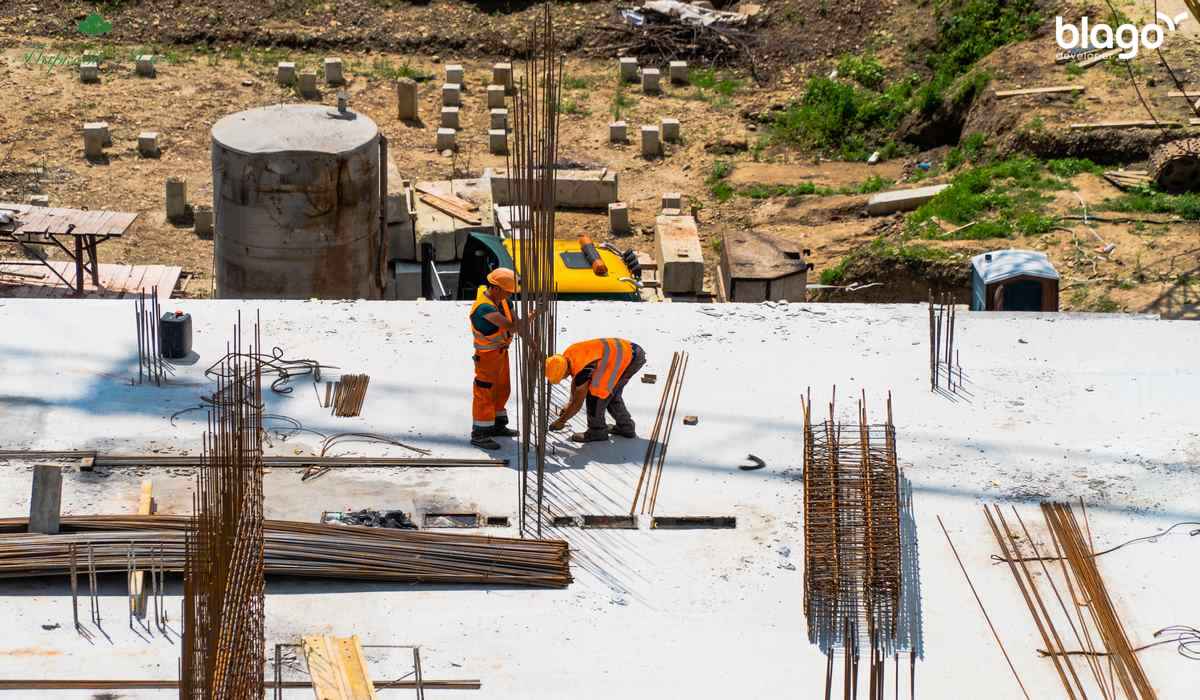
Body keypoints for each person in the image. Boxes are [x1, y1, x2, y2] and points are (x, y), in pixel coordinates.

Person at [468, 267, 532, 450]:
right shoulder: (483, 308)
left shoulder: (502, 301)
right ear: (495, 288)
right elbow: (512, 327)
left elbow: (517, 324)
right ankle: (480, 433)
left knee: (502, 389)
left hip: (500, 353)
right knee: (485, 393)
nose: (509, 296)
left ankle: (497, 425)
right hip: (487, 357)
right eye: (507, 292)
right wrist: (533, 315)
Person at [545, 338, 646, 443]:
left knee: (597, 395)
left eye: (562, 377)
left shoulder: (582, 368)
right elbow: (576, 380)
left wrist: (562, 421)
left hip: (629, 359)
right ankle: (626, 427)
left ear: (564, 370)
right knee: (611, 394)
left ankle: (597, 432)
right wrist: (569, 402)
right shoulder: (568, 355)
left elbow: (578, 402)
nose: (563, 378)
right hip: (629, 351)